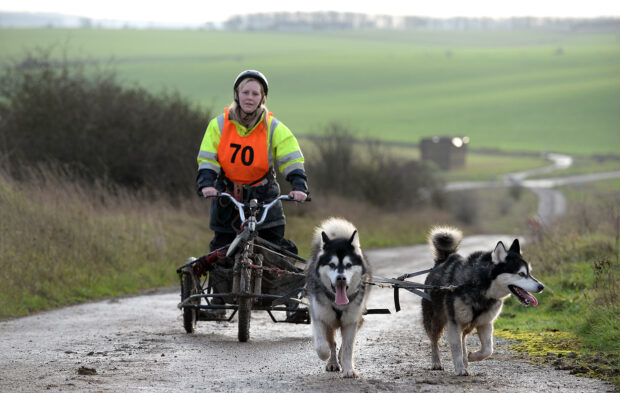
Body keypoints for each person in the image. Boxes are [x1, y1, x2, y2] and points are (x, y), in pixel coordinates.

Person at [196, 69, 309, 254]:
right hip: (227, 197)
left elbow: (291, 159)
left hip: (265, 197)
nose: (250, 98)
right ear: (236, 95)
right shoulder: (218, 125)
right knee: (221, 259)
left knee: (274, 255)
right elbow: (208, 159)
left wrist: (298, 186)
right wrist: (206, 184)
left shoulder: (274, 128)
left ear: (263, 98)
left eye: (255, 93)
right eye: (245, 92)